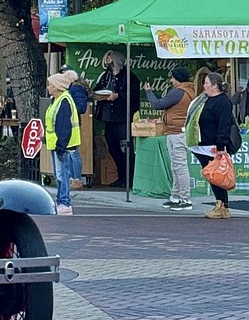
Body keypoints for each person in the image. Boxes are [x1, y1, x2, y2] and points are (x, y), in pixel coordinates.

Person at [143, 67, 195, 209]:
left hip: (176, 132)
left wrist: (149, 92)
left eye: (172, 78)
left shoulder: (178, 92)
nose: (171, 80)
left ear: (177, 78)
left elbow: (158, 104)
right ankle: (176, 196)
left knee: (180, 165)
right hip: (177, 131)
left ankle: (185, 199)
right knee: (176, 165)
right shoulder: (189, 91)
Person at [186, 70, 234, 220]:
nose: (204, 86)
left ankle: (222, 205)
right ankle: (222, 205)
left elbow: (223, 125)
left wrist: (221, 147)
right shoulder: (205, 99)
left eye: (207, 83)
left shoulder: (223, 102)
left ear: (215, 85)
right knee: (212, 175)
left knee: (215, 176)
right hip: (202, 144)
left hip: (212, 146)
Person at [93, 48, 140, 187]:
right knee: (112, 147)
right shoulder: (105, 76)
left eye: (109, 58)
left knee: (125, 148)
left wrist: (118, 96)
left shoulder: (130, 77)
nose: (107, 61)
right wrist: (99, 95)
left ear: (116, 60)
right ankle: (121, 177)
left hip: (122, 118)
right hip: (109, 118)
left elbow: (134, 96)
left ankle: (130, 179)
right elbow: (96, 89)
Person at [45, 71, 81, 215]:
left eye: (50, 85)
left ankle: (64, 202)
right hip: (58, 144)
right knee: (60, 175)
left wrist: (60, 145)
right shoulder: (60, 100)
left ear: (57, 87)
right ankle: (62, 201)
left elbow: (63, 126)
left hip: (62, 145)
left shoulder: (63, 101)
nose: (48, 87)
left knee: (62, 175)